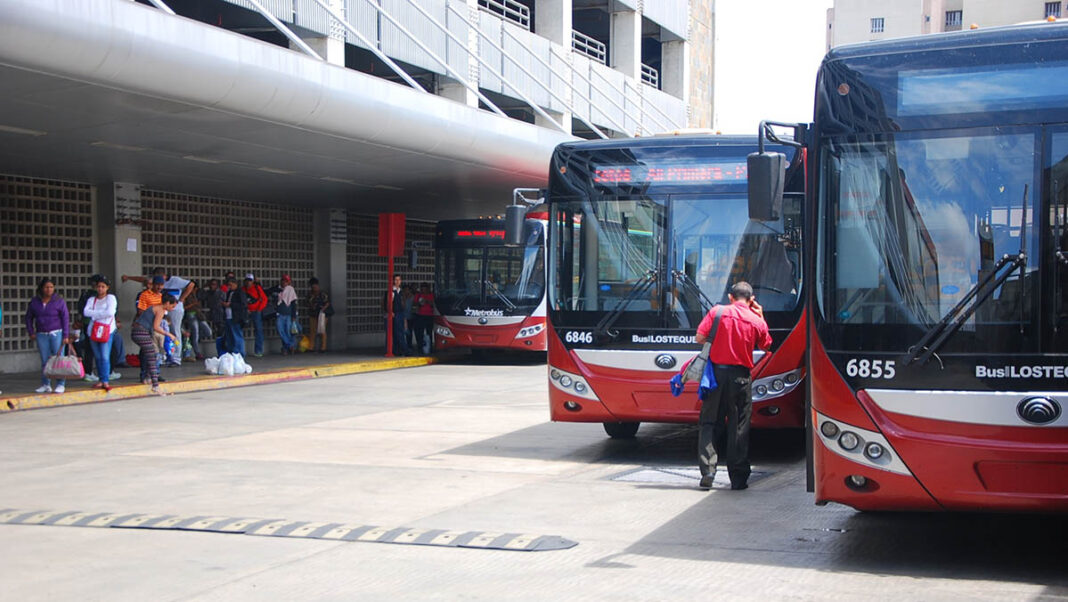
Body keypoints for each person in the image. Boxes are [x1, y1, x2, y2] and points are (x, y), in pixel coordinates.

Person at [694, 281, 772, 491]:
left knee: (709, 421)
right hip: (741, 377)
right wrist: (760, 316)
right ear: (751, 300)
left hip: (715, 376)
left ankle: (708, 470)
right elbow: (766, 344)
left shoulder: (717, 312)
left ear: (730, 297)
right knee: (738, 426)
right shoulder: (755, 320)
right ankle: (738, 479)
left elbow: (699, 337)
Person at [123, 268, 194, 366]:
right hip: (158, 316)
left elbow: (191, 284)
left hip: (173, 310)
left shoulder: (175, 281)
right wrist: (129, 278)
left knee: (174, 332)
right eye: (157, 284)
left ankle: (175, 358)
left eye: (161, 284)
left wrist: (181, 299)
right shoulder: (147, 294)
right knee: (156, 340)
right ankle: (162, 359)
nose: (160, 286)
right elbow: (144, 280)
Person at [25, 278, 71, 394]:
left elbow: (65, 318)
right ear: (41, 288)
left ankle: (60, 384)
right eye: (46, 287)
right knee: (45, 360)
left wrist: (66, 335)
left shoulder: (59, 301)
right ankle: (46, 384)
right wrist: (31, 331)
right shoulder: (35, 301)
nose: (49, 289)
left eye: (51, 287)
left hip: (57, 333)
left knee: (58, 359)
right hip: (41, 334)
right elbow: (28, 317)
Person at [131, 294, 178, 395]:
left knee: (148, 354)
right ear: (167, 303)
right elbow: (156, 327)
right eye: (172, 306)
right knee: (152, 356)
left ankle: (147, 378)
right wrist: (169, 334)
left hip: (138, 331)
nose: (172, 309)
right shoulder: (160, 310)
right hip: (141, 332)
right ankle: (155, 385)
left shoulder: (154, 307)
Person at [82, 276, 118, 392]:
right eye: (98, 287)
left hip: (107, 330)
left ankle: (105, 380)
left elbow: (110, 312)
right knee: (97, 356)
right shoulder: (92, 299)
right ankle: (101, 379)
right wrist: (101, 313)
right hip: (93, 330)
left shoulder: (111, 298)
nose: (100, 289)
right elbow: (85, 312)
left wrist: (95, 314)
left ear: (107, 288)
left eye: (103, 287)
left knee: (104, 356)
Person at [217, 276, 248, 356]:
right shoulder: (229, 293)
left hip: (236, 317)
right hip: (228, 317)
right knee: (229, 336)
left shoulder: (240, 292)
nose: (229, 287)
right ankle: (231, 352)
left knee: (237, 336)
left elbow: (243, 305)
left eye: (231, 285)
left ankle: (239, 353)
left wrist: (230, 304)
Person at [272, 274, 299, 355]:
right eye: (283, 280)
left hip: (289, 314)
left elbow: (294, 304)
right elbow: (268, 291)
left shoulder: (291, 290)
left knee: (288, 331)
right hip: (280, 314)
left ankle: (286, 348)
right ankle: (290, 345)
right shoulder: (278, 289)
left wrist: (293, 316)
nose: (284, 282)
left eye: (286, 281)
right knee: (280, 330)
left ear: (289, 282)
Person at [243, 274, 268, 357]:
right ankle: (240, 351)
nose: (248, 282)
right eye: (247, 280)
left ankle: (258, 351)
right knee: (240, 329)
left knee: (258, 330)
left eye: (250, 280)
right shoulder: (242, 289)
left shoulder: (257, 288)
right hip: (246, 312)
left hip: (256, 311)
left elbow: (264, 299)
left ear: (253, 281)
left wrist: (259, 309)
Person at [307, 277, 331, 353]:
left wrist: (323, 309)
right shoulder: (309, 295)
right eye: (313, 287)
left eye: (315, 286)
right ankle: (311, 347)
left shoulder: (323, 294)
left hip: (323, 313)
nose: (314, 288)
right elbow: (308, 303)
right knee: (312, 330)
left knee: (322, 329)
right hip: (313, 313)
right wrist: (312, 306)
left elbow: (327, 302)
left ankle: (323, 348)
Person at [413, 282, 435, 355]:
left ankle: (430, 348)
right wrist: (420, 303)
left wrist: (427, 301)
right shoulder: (418, 295)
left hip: (430, 315)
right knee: (420, 332)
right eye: (422, 289)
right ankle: (420, 348)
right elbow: (414, 304)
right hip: (421, 315)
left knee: (429, 332)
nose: (424, 290)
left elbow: (434, 304)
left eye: (425, 289)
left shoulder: (432, 295)